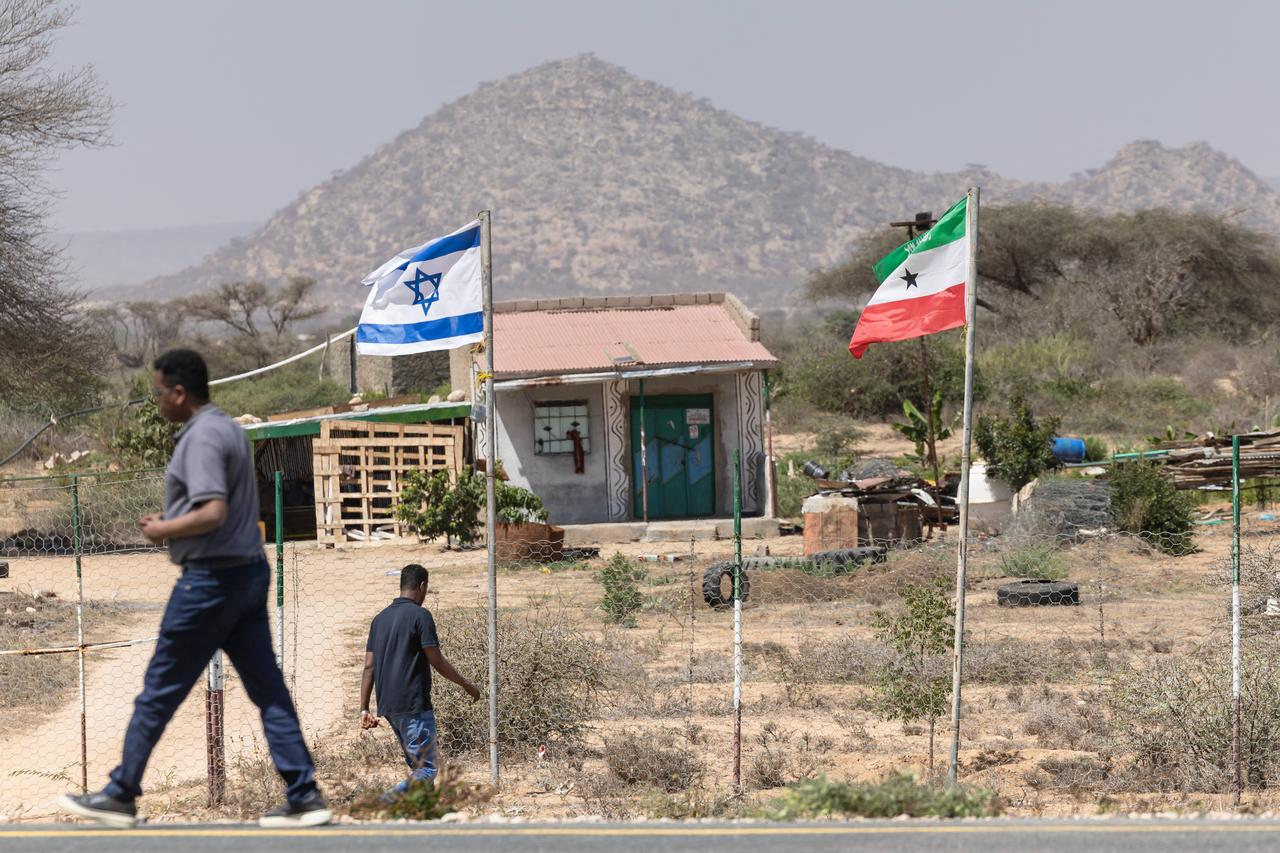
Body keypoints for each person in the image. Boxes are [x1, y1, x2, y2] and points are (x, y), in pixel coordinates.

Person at [59, 349, 330, 828]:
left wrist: (164, 530)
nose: (157, 401)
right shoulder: (228, 428)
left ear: (180, 393)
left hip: (210, 581)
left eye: (159, 392)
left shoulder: (201, 437)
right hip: (247, 573)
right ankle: (304, 794)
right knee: (268, 689)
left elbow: (212, 512)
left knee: (159, 689)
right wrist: (172, 520)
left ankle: (121, 793)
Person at [361, 563, 480, 798]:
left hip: (388, 706)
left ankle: (411, 816)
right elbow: (437, 661)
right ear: (422, 586)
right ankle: (385, 802)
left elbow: (368, 666)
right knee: (426, 769)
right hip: (413, 705)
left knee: (418, 768)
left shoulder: (379, 619)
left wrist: (363, 708)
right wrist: (467, 685)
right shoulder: (420, 615)